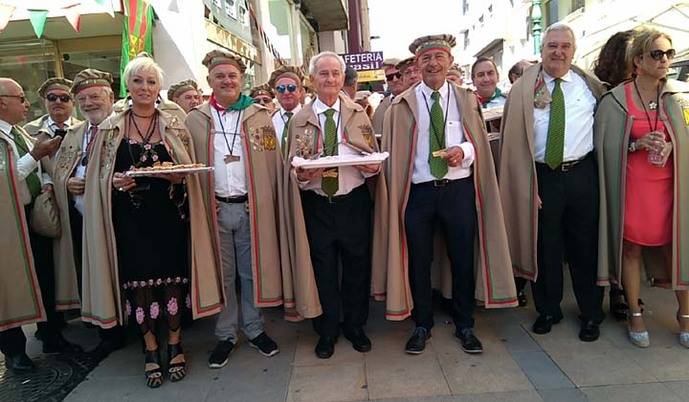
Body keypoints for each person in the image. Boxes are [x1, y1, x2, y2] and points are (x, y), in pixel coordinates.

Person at [81, 55, 223, 388]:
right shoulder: (110, 127)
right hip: (130, 219)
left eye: (151, 82)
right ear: (127, 86)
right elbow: (98, 178)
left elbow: (186, 168)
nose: (145, 87)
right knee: (139, 285)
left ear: (159, 87)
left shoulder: (173, 122)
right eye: (138, 81)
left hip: (169, 217)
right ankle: (149, 348)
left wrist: (179, 179)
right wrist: (115, 183)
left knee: (173, 281)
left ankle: (174, 342)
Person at [383, 35, 517, 355]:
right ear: (417, 64)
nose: (433, 64)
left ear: (449, 62)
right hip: (418, 192)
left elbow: (478, 143)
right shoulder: (403, 104)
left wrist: (463, 150)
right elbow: (396, 152)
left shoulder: (465, 99)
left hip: (457, 189)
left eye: (439, 57)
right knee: (418, 260)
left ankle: (465, 324)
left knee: (462, 257)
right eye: (426, 58)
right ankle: (422, 324)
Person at [499, 23, 606, 342]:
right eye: (552, 46)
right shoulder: (522, 91)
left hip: (582, 173)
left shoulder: (591, 86)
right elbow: (513, 143)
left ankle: (590, 313)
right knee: (545, 244)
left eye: (565, 46)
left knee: (584, 246)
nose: (558, 52)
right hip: (542, 175)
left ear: (573, 51)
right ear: (542, 50)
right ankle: (548, 309)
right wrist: (525, 184)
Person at [284, 51, 388, 359]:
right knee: (323, 269)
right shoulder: (299, 120)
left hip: (353, 202)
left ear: (343, 78)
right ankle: (327, 330)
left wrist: (374, 168)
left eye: (335, 74)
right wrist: (303, 177)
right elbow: (292, 168)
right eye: (323, 74)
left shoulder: (359, 114)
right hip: (317, 204)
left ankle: (355, 326)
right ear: (312, 79)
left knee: (357, 266)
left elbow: (372, 155)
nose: (330, 79)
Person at [185, 50, 284, 369]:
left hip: (250, 208)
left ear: (241, 80)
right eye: (220, 76)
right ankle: (225, 334)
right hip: (214, 209)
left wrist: (264, 202)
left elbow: (271, 163)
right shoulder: (196, 119)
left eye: (232, 76)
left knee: (251, 272)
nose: (227, 81)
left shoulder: (259, 115)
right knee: (223, 275)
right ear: (210, 81)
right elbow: (189, 164)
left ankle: (255, 329)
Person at [596, 28, 689, 349]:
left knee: (677, 245)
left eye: (669, 54)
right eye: (656, 54)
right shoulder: (615, 100)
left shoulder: (674, 97)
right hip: (633, 187)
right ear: (637, 61)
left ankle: (685, 316)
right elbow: (605, 146)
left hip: (669, 187)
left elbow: (684, 139)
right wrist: (635, 145)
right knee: (631, 248)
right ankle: (635, 311)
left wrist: (673, 146)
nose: (665, 61)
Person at [0, 78, 62, 373]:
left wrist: (48, 184)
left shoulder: (20, 132)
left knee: (44, 275)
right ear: (2, 102)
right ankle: (14, 351)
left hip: (33, 216)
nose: (26, 104)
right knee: (8, 286)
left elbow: (39, 169)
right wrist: (36, 155)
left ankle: (51, 335)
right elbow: (6, 176)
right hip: (8, 223)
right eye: (20, 98)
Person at [592, 30, 636, 321]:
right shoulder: (602, 90)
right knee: (613, 229)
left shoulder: (650, 89)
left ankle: (630, 289)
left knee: (632, 233)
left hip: (640, 171)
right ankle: (617, 290)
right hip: (607, 169)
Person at [268, 65, 304, 156]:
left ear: (300, 91)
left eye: (291, 88)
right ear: (275, 94)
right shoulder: (269, 121)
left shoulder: (312, 116)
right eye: (281, 89)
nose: (286, 92)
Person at [371, 58, 402, 136]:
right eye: (390, 77)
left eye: (398, 75)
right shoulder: (381, 107)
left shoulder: (418, 100)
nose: (395, 79)